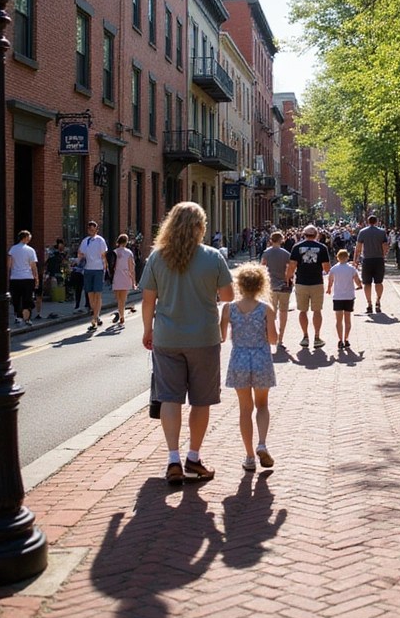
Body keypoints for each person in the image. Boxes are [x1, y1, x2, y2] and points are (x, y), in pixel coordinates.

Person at [140, 201, 234, 485]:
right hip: (204, 338)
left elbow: (147, 301)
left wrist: (148, 330)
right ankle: (194, 456)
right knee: (201, 400)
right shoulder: (213, 256)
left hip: (167, 338)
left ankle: (172, 460)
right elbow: (228, 295)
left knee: (169, 397)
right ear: (200, 227)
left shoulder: (157, 258)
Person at [220, 262, 278, 471]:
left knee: (245, 408)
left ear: (239, 284)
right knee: (262, 405)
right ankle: (262, 442)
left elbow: (222, 336)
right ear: (261, 284)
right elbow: (273, 339)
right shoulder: (266, 309)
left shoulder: (229, 308)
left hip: (239, 359)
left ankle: (249, 456)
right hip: (261, 358)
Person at [286, 224, 330, 349]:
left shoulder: (297, 247)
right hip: (317, 282)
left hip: (301, 282)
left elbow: (292, 265)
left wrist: (288, 278)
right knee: (317, 311)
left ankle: (305, 337)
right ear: (316, 235)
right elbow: (326, 268)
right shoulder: (322, 247)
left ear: (304, 235)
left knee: (302, 311)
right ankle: (316, 337)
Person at [326, 248, 363, 350]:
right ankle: (346, 338)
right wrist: (359, 285)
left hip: (338, 297)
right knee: (348, 320)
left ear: (337, 258)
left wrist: (329, 289)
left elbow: (330, 280)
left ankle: (340, 340)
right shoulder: (351, 269)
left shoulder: (333, 269)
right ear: (347, 257)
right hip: (349, 296)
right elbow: (357, 280)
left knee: (338, 320)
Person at [261, 231, 292, 349]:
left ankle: (270, 336)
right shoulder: (286, 254)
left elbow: (262, 268)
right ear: (281, 240)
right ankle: (280, 339)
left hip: (270, 287)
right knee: (283, 312)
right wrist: (287, 279)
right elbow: (290, 269)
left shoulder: (266, 253)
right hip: (284, 286)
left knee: (270, 313)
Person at [353, 214, 389, 314]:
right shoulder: (382, 232)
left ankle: (369, 304)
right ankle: (378, 301)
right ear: (377, 221)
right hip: (378, 259)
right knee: (379, 282)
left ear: (368, 222)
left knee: (367, 283)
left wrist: (355, 260)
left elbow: (358, 247)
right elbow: (385, 246)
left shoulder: (362, 232)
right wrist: (384, 255)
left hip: (367, 260)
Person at [77, 221, 109, 331]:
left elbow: (104, 255)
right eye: (89, 228)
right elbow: (80, 254)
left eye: (93, 229)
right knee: (90, 294)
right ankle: (96, 314)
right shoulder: (85, 241)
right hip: (88, 269)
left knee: (98, 294)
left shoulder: (100, 240)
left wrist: (105, 269)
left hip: (98, 269)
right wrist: (79, 257)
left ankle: (94, 318)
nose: (91, 230)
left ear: (96, 230)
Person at [7, 230, 39, 327]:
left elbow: (9, 264)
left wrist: (8, 276)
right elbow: (33, 266)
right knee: (27, 298)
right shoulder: (30, 250)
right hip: (27, 277)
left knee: (16, 298)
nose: (30, 238)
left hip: (15, 277)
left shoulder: (13, 249)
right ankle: (27, 319)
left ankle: (18, 317)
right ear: (25, 237)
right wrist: (36, 278)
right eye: (29, 236)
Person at [110, 234, 136, 327]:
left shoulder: (114, 252)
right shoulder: (129, 253)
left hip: (117, 276)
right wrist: (133, 282)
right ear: (125, 242)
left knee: (118, 299)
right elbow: (131, 268)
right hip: (126, 276)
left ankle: (120, 313)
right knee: (123, 299)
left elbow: (111, 266)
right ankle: (122, 315)